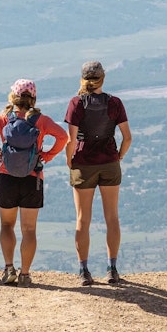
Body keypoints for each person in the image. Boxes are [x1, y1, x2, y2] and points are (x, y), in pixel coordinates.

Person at [0, 78, 68, 287]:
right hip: (32, 179)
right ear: (33, 98)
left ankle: (9, 269)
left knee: (7, 225)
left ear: (12, 97)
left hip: (6, 178)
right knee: (29, 229)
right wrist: (47, 156)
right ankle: (24, 274)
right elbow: (63, 137)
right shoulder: (41, 121)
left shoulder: (3, 119)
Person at [63, 60, 132, 285]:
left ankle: (84, 271)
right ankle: (112, 269)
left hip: (84, 163)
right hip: (110, 161)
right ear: (103, 78)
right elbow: (127, 137)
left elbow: (71, 141)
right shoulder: (115, 103)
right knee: (112, 217)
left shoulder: (76, 103)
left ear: (83, 79)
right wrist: (118, 156)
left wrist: (69, 161)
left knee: (83, 219)